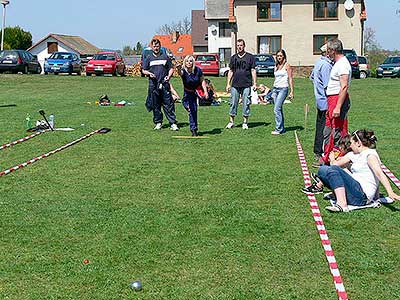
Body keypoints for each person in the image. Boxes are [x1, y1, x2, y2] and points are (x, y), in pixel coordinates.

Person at [302, 129, 400, 213]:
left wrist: (390, 192)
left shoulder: (370, 155)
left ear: (358, 143)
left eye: (352, 143)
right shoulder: (353, 154)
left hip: (361, 196)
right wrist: (334, 160)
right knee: (323, 169)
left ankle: (342, 204)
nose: (350, 146)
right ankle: (335, 193)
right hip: (355, 188)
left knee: (334, 169)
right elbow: (335, 164)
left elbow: (379, 173)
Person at [322, 38, 351, 162]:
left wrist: (338, 107)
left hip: (337, 100)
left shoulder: (343, 64)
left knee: (337, 132)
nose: (327, 53)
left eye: (328, 51)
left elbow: (344, 87)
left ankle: (337, 161)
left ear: (334, 50)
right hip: (332, 99)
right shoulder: (337, 64)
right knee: (328, 130)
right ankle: (328, 158)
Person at [142, 39, 179, 131]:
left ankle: (173, 123)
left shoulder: (165, 57)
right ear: (152, 47)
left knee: (168, 104)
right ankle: (158, 123)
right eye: (154, 46)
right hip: (153, 85)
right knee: (156, 105)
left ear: (160, 46)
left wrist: (169, 76)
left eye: (157, 46)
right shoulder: (149, 58)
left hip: (164, 84)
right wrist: (149, 73)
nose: (156, 48)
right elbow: (143, 70)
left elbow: (171, 68)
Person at [310, 43, 333, 167]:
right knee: (325, 129)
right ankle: (321, 155)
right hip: (325, 101)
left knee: (319, 127)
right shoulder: (326, 65)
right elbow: (328, 86)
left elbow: (312, 77)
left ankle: (318, 152)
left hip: (319, 100)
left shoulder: (318, 62)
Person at [225, 39, 257, 130]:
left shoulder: (250, 57)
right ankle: (231, 122)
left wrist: (254, 83)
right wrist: (228, 84)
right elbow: (231, 71)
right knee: (233, 103)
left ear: (244, 46)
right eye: (238, 45)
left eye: (241, 45)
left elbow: (253, 70)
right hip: (235, 85)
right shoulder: (233, 57)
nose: (239, 47)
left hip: (247, 84)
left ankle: (245, 122)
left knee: (246, 103)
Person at [177, 55, 208, 136]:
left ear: (193, 62)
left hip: (195, 92)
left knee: (193, 111)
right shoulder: (184, 70)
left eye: (190, 61)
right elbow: (180, 73)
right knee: (190, 109)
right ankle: (193, 126)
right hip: (187, 93)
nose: (189, 63)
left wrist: (205, 92)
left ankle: (193, 129)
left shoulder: (198, 70)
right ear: (185, 62)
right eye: (187, 61)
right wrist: (178, 68)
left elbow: (202, 81)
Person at [270, 49, 294, 135]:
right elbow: (276, 78)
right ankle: (282, 128)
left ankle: (278, 129)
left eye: (280, 56)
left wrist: (291, 91)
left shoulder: (287, 65)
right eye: (278, 56)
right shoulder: (276, 65)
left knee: (276, 109)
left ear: (283, 56)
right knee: (278, 109)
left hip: (283, 89)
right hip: (275, 89)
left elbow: (290, 78)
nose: (279, 57)